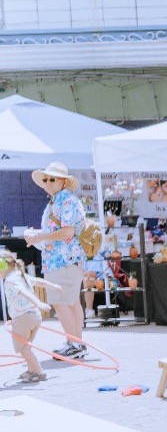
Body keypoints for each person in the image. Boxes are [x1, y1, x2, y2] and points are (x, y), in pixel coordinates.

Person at [23, 162, 88, 359]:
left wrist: (39, 237)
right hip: (64, 259)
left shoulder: (65, 201)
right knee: (71, 302)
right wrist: (39, 237)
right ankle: (77, 343)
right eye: (46, 179)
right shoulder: (57, 201)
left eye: (52, 179)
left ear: (64, 181)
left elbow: (67, 232)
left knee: (61, 302)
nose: (48, 182)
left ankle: (74, 344)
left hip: (64, 260)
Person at [1, 249, 50, 384]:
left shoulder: (10, 280)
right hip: (34, 316)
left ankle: (39, 372)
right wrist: (54, 286)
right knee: (26, 347)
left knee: (23, 348)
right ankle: (31, 370)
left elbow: (23, 292)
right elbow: (38, 281)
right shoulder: (19, 275)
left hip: (23, 317)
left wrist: (38, 302)